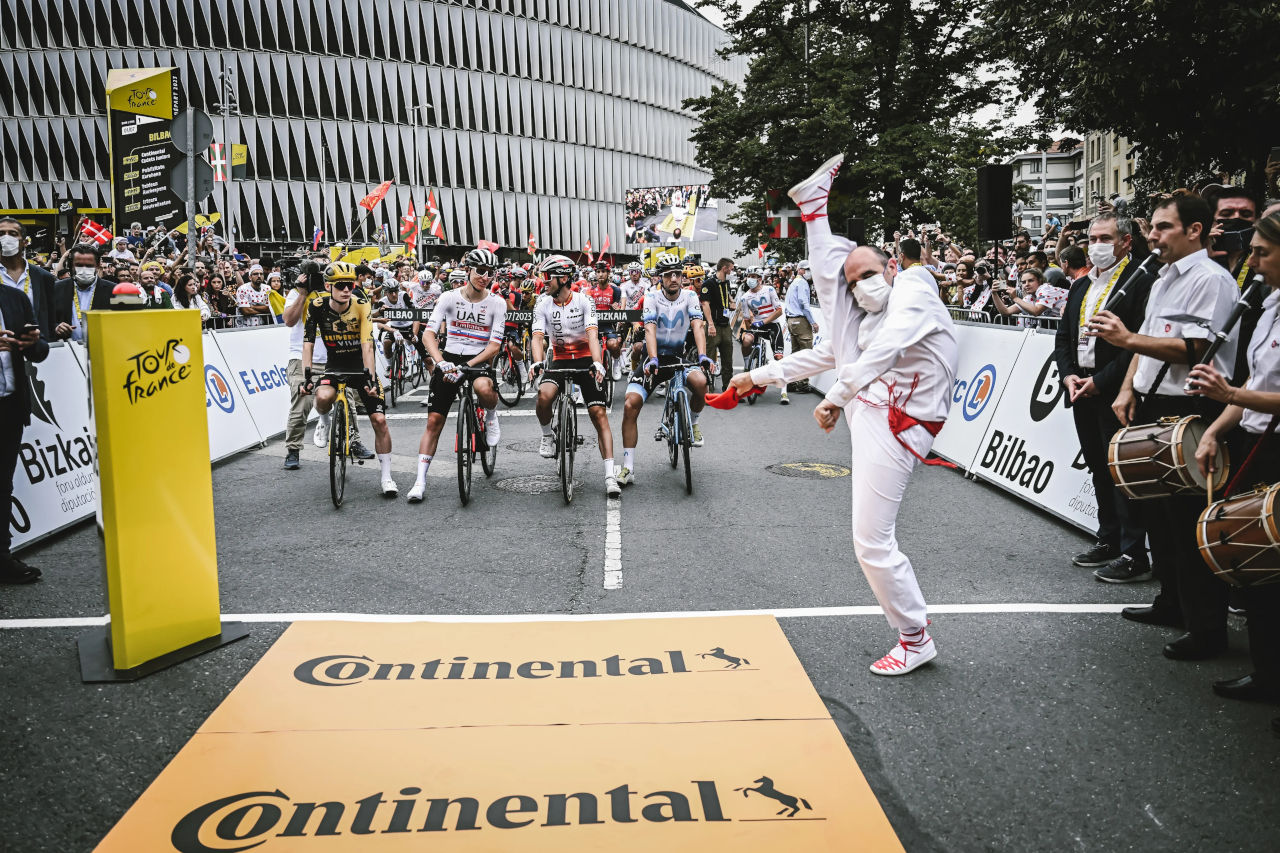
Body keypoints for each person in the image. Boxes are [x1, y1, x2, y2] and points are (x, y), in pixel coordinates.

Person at [730, 154, 958, 676]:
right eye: (852, 281)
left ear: (892, 268)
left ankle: (914, 636)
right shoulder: (863, 312)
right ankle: (814, 213)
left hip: (899, 426)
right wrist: (757, 377)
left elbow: (884, 351)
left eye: (868, 274)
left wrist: (837, 395)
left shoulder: (915, 289)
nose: (859, 287)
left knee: (871, 542)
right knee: (835, 320)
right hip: (872, 413)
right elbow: (830, 353)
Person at [1088, 195, 1240, 659]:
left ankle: (1207, 627)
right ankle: (1172, 602)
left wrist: (1128, 339)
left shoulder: (1211, 280)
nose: (1152, 236)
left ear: (1195, 230)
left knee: (1190, 521)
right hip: (1155, 402)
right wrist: (1128, 387)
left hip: (1192, 407)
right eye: (1152, 228)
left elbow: (1197, 348)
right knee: (1159, 516)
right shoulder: (1161, 278)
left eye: (1162, 228)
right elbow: (1149, 342)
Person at [1190, 210, 1280, 735]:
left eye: (1263, 252)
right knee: (1258, 567)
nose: (1254, 262)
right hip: (1256, 438)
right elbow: (1251, 380)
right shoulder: (1266, 304)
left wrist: (1232, 396)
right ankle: (1268, 673)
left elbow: (1243, 388)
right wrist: (1215, 429)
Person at [1053, 222, 1153, 583]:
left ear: (1125, 242)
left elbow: (1137, 342)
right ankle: (1108, 538)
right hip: (1080, 386)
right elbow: (1063, 337)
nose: (1096, 245)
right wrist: (1069, 376)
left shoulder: (1140, 280)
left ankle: (1133, 551)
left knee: (1120, 471)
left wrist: (1101, 381)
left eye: (1104, 239)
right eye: (1092, 239)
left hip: (1115, 389)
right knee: (1097, 466)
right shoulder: (1080, 284)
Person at [405, 248, 506, 503]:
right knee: (433, 422)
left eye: (490, 273)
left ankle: (491, 416)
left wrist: (467, 365)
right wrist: (440, 363)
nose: (485, 276)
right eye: (480, 271)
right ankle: (420, 481)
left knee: (484, 389)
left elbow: (494, 346)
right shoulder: (449, 297)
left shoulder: (497, 302)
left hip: (478, 359)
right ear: (469, 270)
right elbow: (428, 334)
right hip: (449, 358)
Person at [615, 254, 714, 486]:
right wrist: (652, 358)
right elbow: (649, 328)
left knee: (702, 383)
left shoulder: (690, 296)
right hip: (655, 361)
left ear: (682, 276)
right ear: (660, 278)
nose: (673, 278)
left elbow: (697, 325)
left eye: (677, 274)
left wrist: (702, 355)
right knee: (630, 404)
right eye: (668, 274)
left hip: (679, 359)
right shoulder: (651, 297)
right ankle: (628, 467)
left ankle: (694, 423)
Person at [301, 262, 398, 496]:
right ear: (328, 286)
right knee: (323, 397)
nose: (347, 289)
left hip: (360, 365)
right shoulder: (316, 306)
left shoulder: (361, 304)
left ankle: (386, 477)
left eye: (350, 285)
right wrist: (306, 376)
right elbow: (308, 343)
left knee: (379, 420)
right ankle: (324, 422)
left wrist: (372, 379)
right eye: (341, 285)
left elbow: (367, 345)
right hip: (335, 365)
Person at [530, 255, 621, 498]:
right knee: (544, 395)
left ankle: (610, 475)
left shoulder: (584, 300)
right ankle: (548, 436)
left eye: (547, 277)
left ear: (563, 278)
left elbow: (592, 334)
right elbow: (537, 336)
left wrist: (598, 364)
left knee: (598, 413)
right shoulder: (542, 303)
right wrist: (538, 362)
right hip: (558, 359)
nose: (543, 281)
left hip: (584, 358)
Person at [0, 279, 50, 584]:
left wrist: (31, 344)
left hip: (10, 405)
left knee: (3, 483)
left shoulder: (15, 298)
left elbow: (40, 350)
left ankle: (2, 557)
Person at [734, 266, 788, 404]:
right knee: (746, 340)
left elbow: (779, 311)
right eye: (749, 276)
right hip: (756, 325)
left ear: (759, 279)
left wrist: (764, 322)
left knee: (778, 357)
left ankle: (784, 391)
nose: (751, 279)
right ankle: (748, 366)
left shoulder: (769, 290)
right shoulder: (745, 297)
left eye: (754, 276)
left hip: (771, 324)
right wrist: (748, 330)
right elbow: (746, 318)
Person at [0, 218, 57, 338]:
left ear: (25, 242)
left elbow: (51, 320)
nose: (6, 238)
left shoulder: (43, 277)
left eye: (13, 234)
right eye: (1, 234)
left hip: (34, 349)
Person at [699, 258, 736, 391]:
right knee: (709, 358)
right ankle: (707, 388)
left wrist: (731, 301)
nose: (732, 271)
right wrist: (710, 324)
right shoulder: (708, 283)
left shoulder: (725, 282)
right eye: (731, 268)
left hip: (725, 325)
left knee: (728, 359)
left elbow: (726, 294)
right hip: (713, 325)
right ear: (724, 268)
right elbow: (705, 304)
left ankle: (728, 387)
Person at [784, 259, 819, 393]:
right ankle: (803, 383)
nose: (810, 273)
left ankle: (792, 382)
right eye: (807, 270)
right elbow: (804, 304)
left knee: (795, 354)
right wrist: (813, 322)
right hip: (800, 320)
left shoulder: (794, 283)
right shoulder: (802, 283)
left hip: (792, 321)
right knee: (806, 354)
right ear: (800, 270)